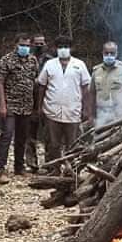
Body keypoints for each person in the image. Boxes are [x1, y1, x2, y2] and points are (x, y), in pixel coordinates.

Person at [0, 33, 39, 184]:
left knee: (22, 137)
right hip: (10, 104)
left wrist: (36, 106)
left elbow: (35, 81)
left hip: (26, 106)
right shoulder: (7, 60)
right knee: (6, 135)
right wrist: (2, 105)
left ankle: (19, 167)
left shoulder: (33, 60)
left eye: (27, 45)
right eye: (22, 45)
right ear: (16, 45)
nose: (24, 48)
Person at [38, 35, 91, 164]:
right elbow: (42, 86)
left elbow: (85, 88)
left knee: (73, 144)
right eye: (60, 47)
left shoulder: (79, 65)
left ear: (71, 48)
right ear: (55, 48)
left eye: (66, 47)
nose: (63, 49)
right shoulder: (49, 64)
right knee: (52, 143)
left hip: (73, 111)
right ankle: (52, 168)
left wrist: (86, 109)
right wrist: (39, 107)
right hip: (52, 110)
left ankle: (72, 170)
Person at [90, 41, 122, 127]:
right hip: (102, 116)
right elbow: (92, 94)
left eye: (112, 53)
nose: (109, 56)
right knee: (100, 139)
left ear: (116, 54)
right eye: (106, 53)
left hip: (121, 116)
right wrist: (92, 115)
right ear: (102, 53)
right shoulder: (96, 71)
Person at [25, 33, 53, 172]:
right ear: (32, 44)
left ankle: (50, 164)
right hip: (29, 102)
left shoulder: (51, 61)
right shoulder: (26, 59)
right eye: (37, 43)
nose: (39, 46)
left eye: (42, 43)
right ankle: (32, 164)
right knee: (30, 135)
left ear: (46, 44)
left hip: (47, 101)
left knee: (49, 135)